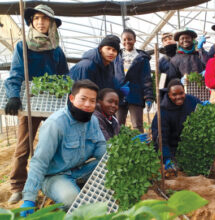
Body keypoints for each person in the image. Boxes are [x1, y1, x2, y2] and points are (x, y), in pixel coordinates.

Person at [4, 4, 69, 204]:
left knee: (53, 145)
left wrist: (66, 96)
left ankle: (51, 182)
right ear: (31, 22)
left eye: (45, 19)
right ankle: (17, 186)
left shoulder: (56, 50)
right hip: (29, 102)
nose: (41, 22)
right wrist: (13, 96)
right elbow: (15, 74)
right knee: (23, 146)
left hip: (51, 103)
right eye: (37, 18)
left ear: (51, 23)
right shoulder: (23, 45)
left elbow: (65, 77)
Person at [19, 80, 106, 216]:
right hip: (54, 176)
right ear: (71, 98)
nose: (88, 104)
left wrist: (121, 149)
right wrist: (29, 198)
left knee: (109, 168)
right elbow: (39, 162)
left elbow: (101, 149)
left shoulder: (92, 121)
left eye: (92, 101)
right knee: (73, 200)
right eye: (83, 99)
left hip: (80, 170)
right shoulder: (56, 124)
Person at [151, 79, 202, 170]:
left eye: (181, 93)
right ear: (169, 95)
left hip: (187, 144)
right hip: (171, 146)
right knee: (177, 167)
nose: (178, 97)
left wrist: (204, 106)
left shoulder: (191, 101)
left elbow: (201, 107)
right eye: (174, 94)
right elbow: (161, 139)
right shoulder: (163, 111)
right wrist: (167, 158)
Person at [114, 28, 154, 132]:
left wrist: (148, 97)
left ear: (135, 40)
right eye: (124, 39)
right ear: (121, 41)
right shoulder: (116, 57)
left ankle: (140, 147)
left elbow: (146, 79)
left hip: (135, 94)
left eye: (130, 39)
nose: (127, 42)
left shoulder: (141, 58)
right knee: (118, 124)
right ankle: (118, 147)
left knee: (137, 124)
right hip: (119, 95)